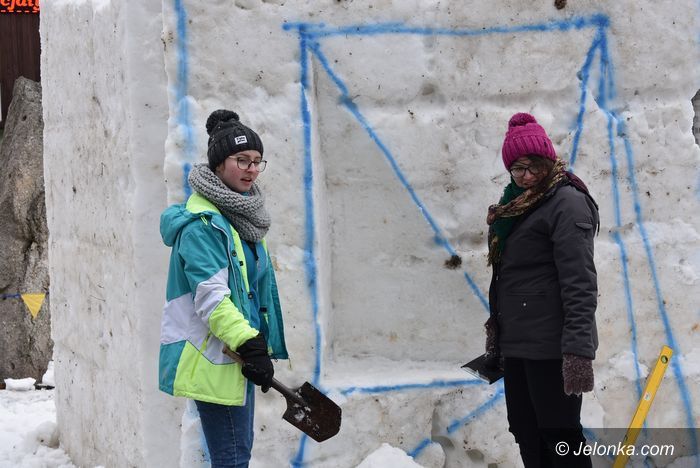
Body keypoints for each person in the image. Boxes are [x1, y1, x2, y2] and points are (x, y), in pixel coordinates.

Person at [159, 109, 288, 468]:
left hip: (236, 351)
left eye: (257, 161)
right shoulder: (202, 226)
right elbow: (211, 296)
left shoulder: (241, 221)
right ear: (218, 164)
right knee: (231, 459)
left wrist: (254, 344)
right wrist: (248, 342)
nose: (251, 169)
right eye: (242, 160)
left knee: (236, 454)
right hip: (214, 353)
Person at [484, 112, 599, 468]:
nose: (527, 175)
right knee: (525, 430)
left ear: (548, 160)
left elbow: (580, 282)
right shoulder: (516, 205)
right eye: (517, 168)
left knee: (560, 437)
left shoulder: (566, 202)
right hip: (518, 342)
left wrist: (577, 352)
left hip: (552, 346)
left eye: (534, 164)